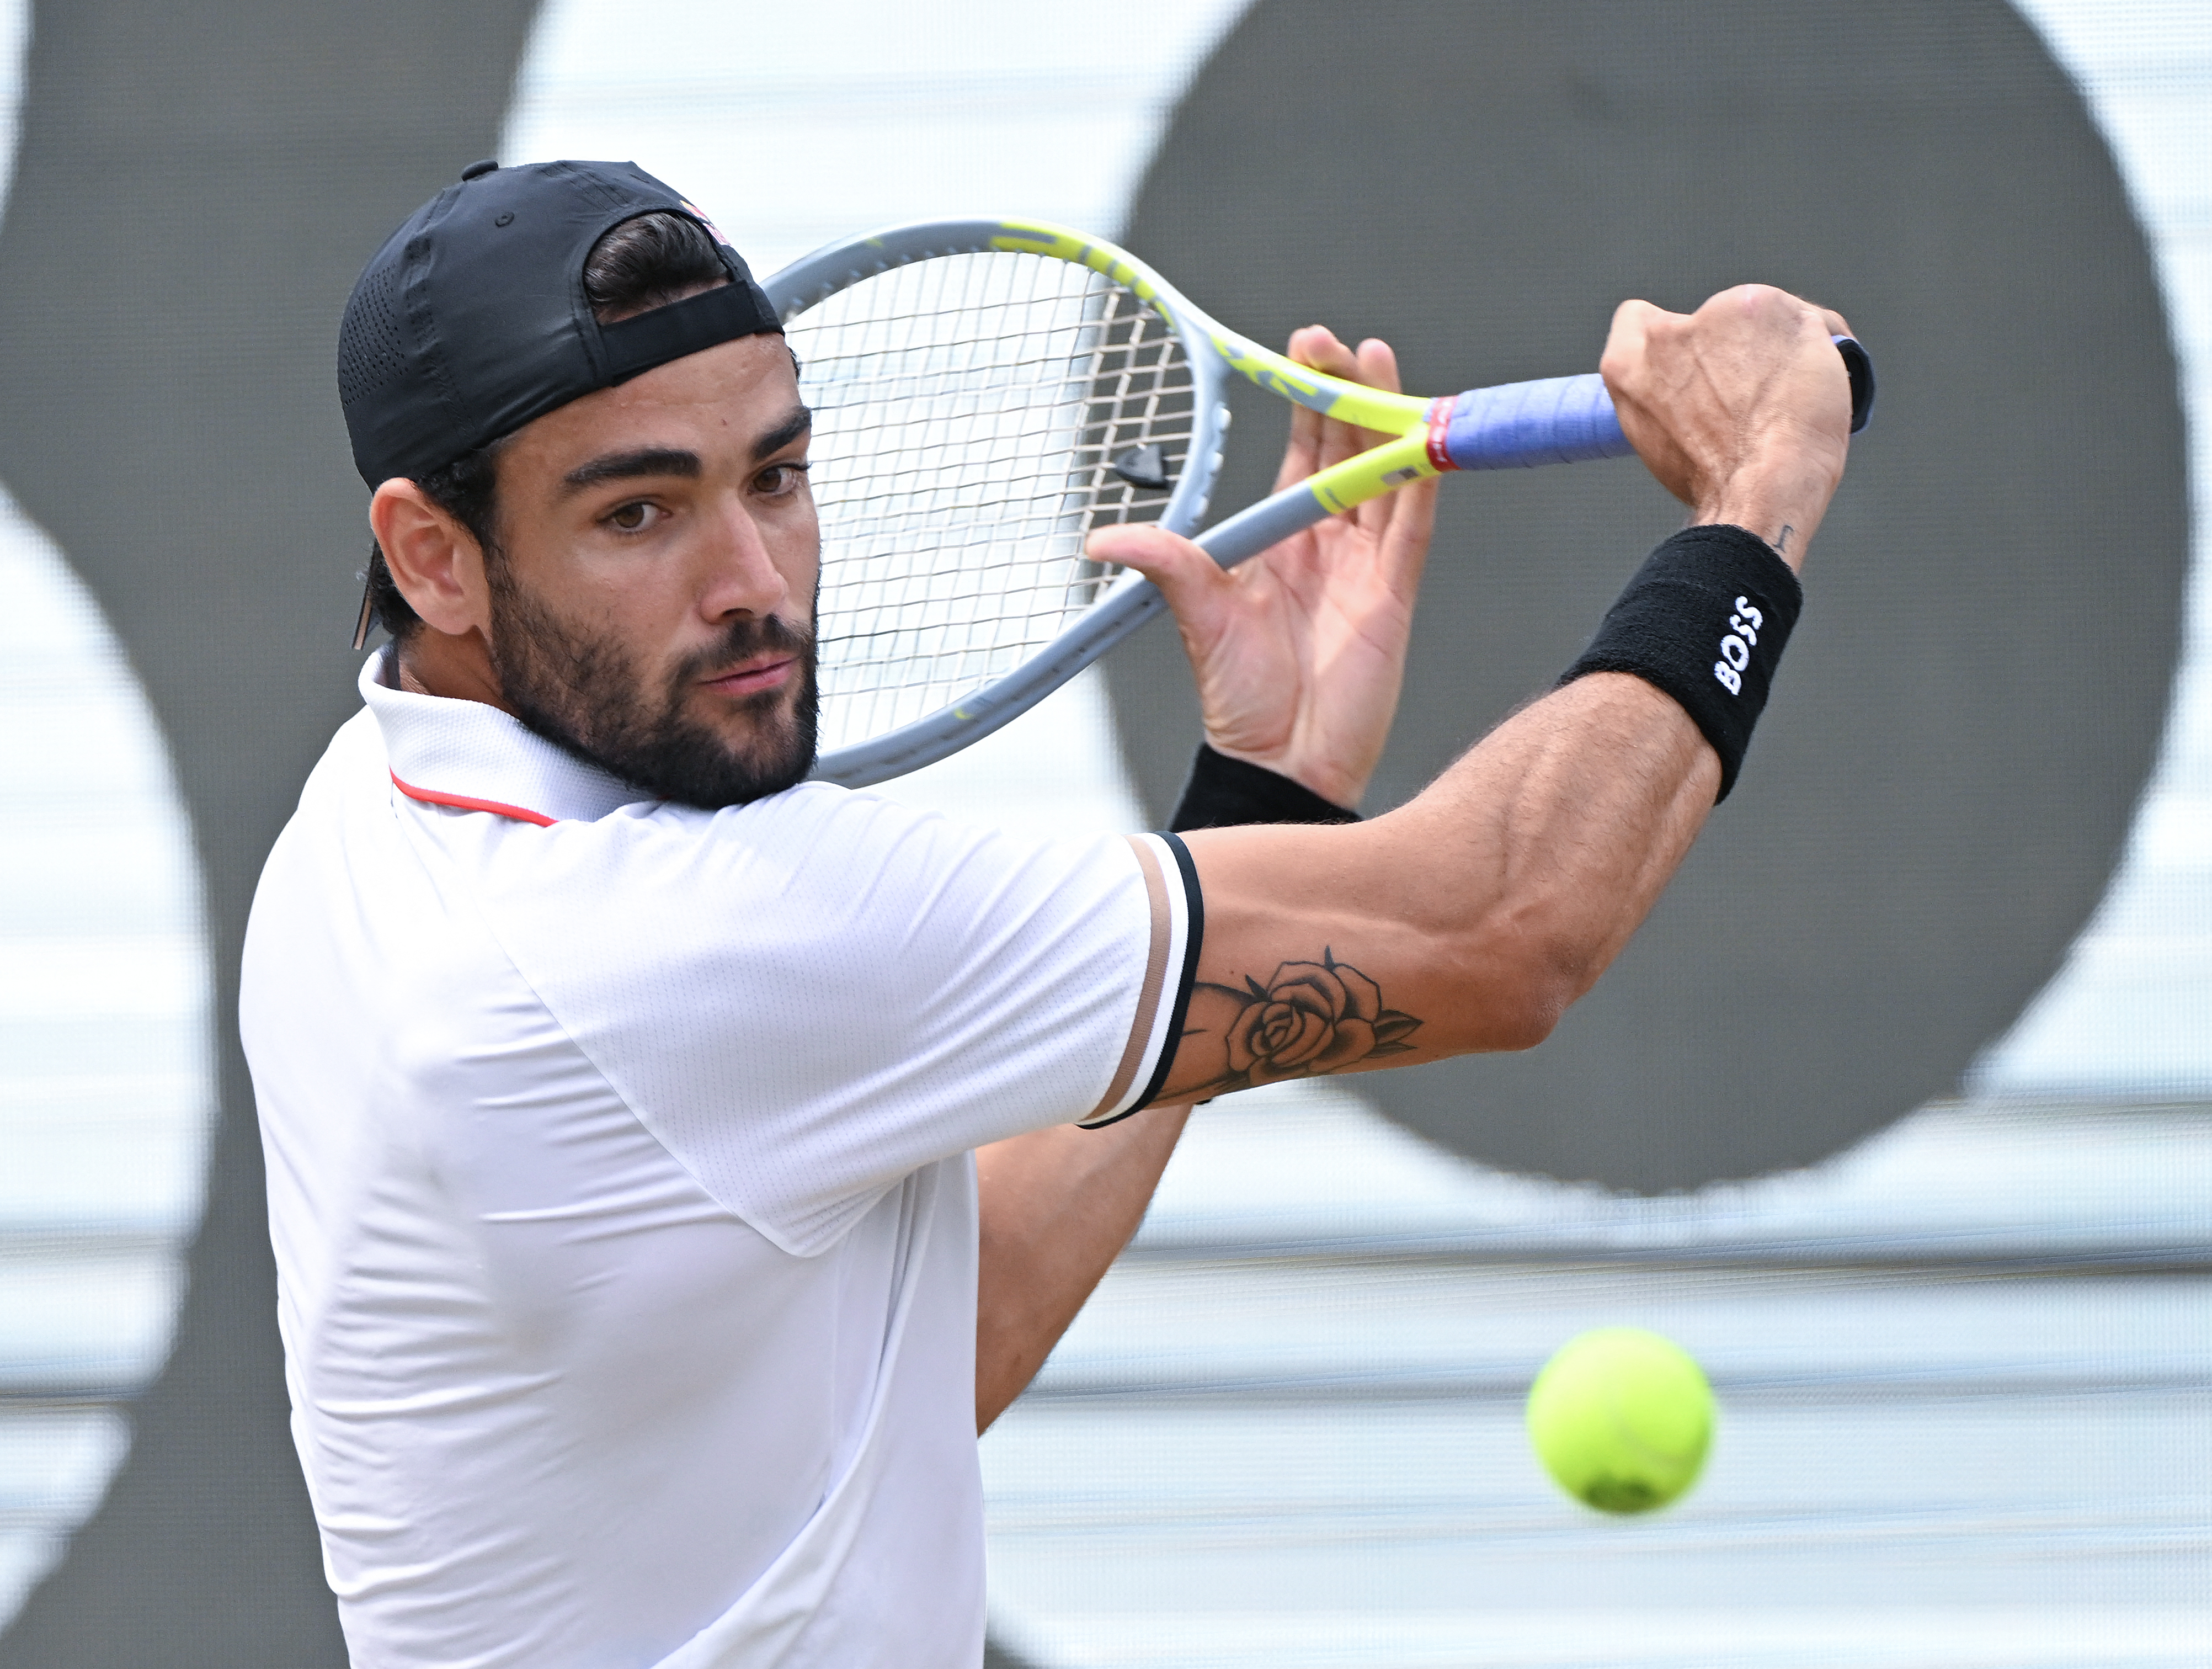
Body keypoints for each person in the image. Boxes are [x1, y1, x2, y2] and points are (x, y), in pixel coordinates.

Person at [242, 160, 1851, 1668]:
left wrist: (1263, 800)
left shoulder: (355, 831)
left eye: (777, 475)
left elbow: (952, 1336)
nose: (754, 580)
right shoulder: (662, 946)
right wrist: (1755, 488)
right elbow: (1508, 927)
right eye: (639, 515)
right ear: (433, 556)